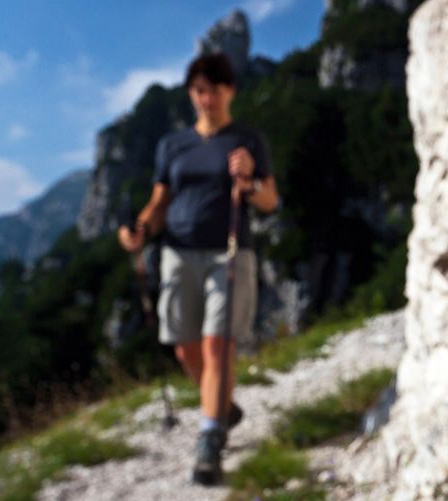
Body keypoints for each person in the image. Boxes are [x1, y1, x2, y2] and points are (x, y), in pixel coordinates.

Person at [117, 52, 279, 485]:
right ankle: (223, 406)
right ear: (192, 94)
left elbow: (269, 200)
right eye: (199, 90)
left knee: (215, 346)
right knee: (185, 348)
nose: (207, 98)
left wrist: (251, 181)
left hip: (229, 252)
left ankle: (210, 439)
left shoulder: (247, 140)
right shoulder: (173, 145)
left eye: (215, 88)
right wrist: (141, 230)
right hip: (177, 252)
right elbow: (159, 200)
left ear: (230, 91)